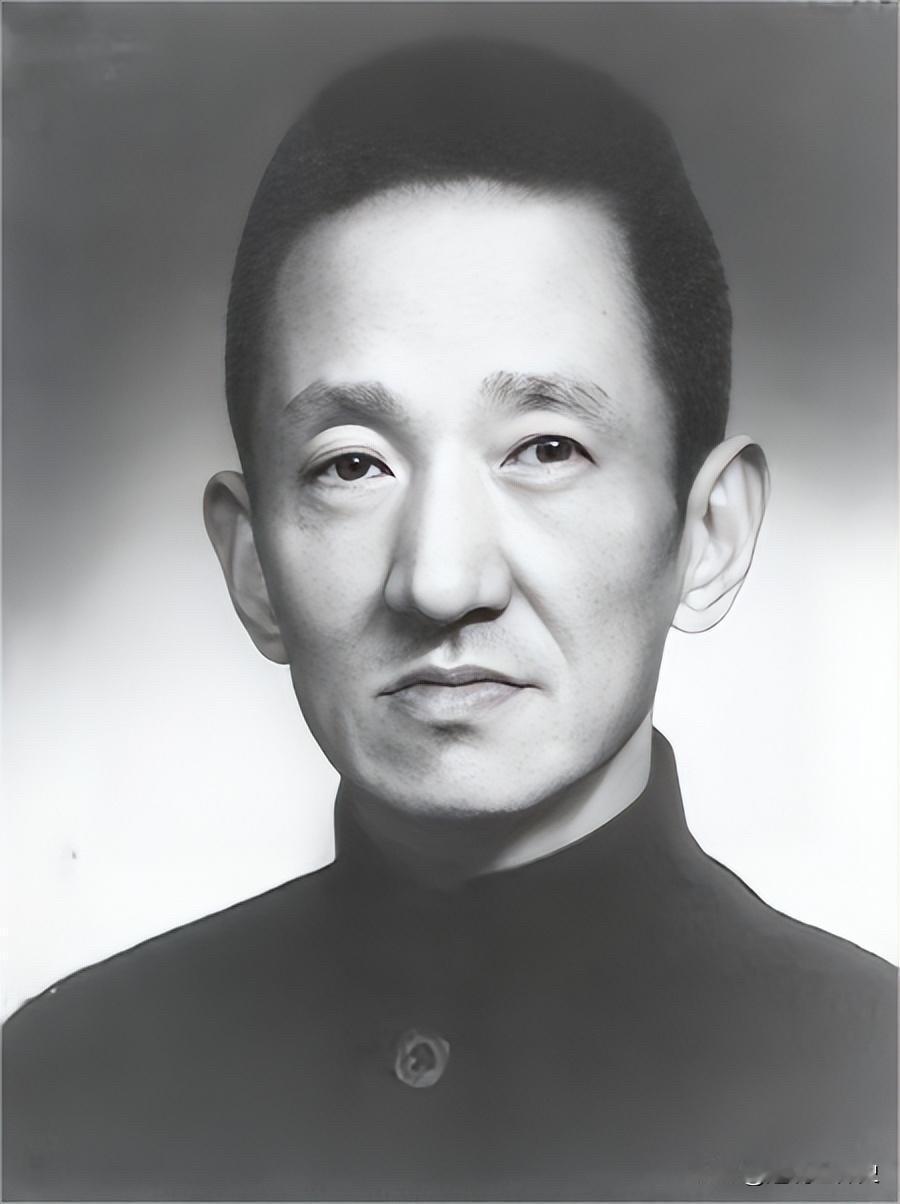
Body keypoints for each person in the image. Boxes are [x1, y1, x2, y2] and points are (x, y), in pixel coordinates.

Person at [4, 38, 895, 1202]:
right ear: (252, 563)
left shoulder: (874, 1086)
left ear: (709, 532)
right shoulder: (58, 1087)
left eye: (545, 448)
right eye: (352, 465)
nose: (439, 578)